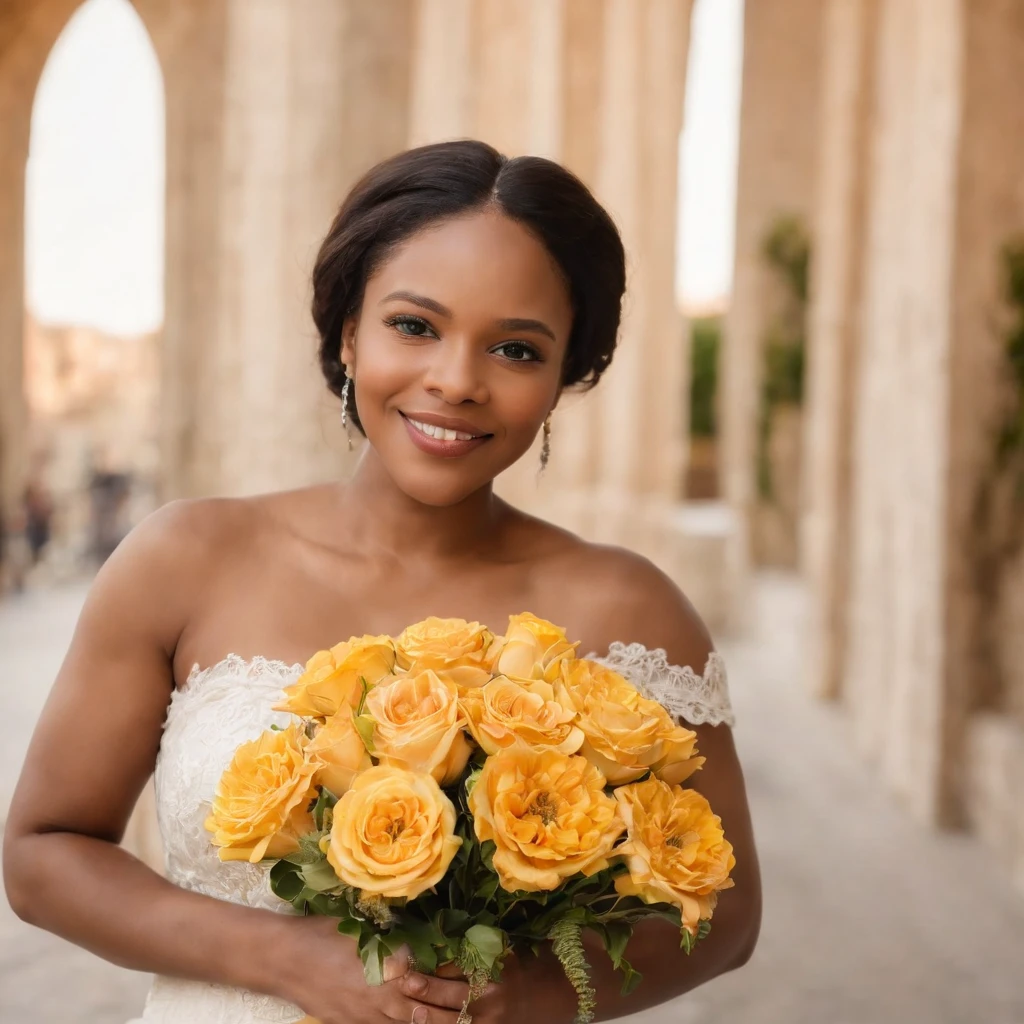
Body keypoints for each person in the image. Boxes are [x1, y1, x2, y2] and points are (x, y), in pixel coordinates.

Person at [2, 140, 761, 1024]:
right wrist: (287, 957)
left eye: (516, 350)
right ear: (348, 331)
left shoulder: (631, 608)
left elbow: (729, 912)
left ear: (564, 379)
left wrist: (525, 993)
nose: (455, 381)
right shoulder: (187, 558)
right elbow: (43, 853)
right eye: (414, 326)